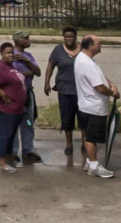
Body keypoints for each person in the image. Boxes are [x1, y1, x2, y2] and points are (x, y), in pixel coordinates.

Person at [75, 35, 118, 178]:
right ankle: (94, 165)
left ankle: (89, 161)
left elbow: (100, 77)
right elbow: (99, 87)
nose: (101, 45)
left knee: (89, 136)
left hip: (86, 105)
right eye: (98, 43)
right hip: (94, 107)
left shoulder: (84, 59)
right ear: (90, 46)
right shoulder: (87, 63)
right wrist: (112, 93)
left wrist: (111, 84)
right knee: (92, 138)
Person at [0, 42, 27, 172]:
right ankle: (1, 162)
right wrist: (3, 95)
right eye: (7, 53)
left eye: (11, 52)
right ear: (1, 54)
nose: (10, 55)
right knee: (5, 134)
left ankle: (9, 158)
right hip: (6, 108)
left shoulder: (11, 66)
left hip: (17, 108)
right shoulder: (0, 67)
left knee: (11, 134)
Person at [44, 26, 84, 155]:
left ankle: (85, 143)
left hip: (82, 91)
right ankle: (69, 144)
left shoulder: (83, 49)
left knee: (83, 118)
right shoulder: (58, 50)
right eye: (66, 36)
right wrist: (47, 83)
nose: (69, 39)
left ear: (75, 37)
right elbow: (50, 66)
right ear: (63, 37)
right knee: (67, 118)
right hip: (65, 90)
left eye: (71, 36)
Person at [11, 31, 42, 163]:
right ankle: (12, 151)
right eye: (26, 38)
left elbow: (38, 72)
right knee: (13, 123)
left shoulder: (28, 56)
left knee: (28, 121)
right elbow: (13, 74)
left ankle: (27, 149)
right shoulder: (11, 54)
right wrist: (29, 72)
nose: (29, 40)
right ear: (18, 40)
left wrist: (27, 61)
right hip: (14, 93)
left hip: (28, 93)